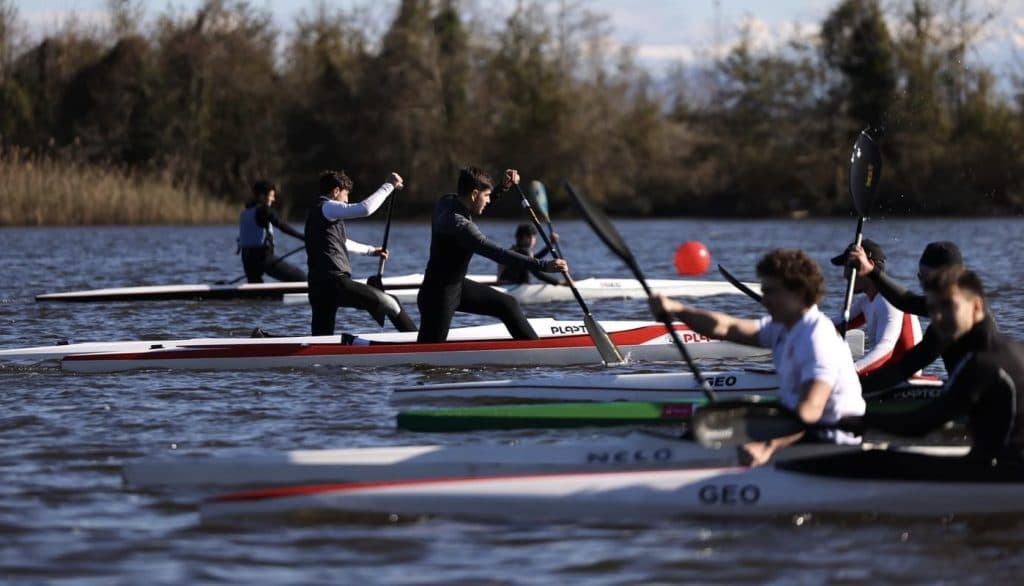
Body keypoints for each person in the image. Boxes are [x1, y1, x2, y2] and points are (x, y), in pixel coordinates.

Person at [649, 248, 864, 467]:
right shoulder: (784, 327)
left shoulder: (817, 338)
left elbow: (811, 410)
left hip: (829, 440)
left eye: (771, 292)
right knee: (703, 430)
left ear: (798, 292)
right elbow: (726, 327)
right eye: (764, 291)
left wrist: (766, 447)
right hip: (796, 427)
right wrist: (677, 309)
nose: (765, 300)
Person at [828, 266, 1024, 472]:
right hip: (1001, 465)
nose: (938, 317)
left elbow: (921, 424)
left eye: (948, 306)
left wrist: (860, 420)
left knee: (878, 458)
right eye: (932, 309)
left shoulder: (981, 364)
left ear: (977, 306)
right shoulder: (1014, 348)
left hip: (1000, 473)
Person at [417, 167, 567, 343]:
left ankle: (537, 350)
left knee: (507, 304)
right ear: (474, 194)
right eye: (486, 195)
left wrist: (502, 187)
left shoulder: (447, 201)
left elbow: (476, 207)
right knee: (429, 360)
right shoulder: (462, 228)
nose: (488, 200)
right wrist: (543, 265)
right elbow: (500, 254)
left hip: (455, 287)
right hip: (438, 298)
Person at [843, 240, 1000, 393]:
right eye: (921, 279)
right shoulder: (945, 319)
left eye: (929, 280)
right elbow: (908, 303)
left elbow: (903, 368)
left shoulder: (958, 320)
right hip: (966, 398)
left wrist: (850, 389)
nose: (924, 286)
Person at [305, 170, 417, 335]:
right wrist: (389, 185)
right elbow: (365, 209)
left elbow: (342, 242)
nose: (347, 201)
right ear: (335, 192)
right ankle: (420, 344)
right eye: (346, 195)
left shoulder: (317, 212)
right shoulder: (328, 206)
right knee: (391, 303)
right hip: (335, 284)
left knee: (320, 340)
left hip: (318, 287)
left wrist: (370, 251)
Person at [830, 239, 922, 375]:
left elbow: (885, 350)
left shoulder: (889, 301)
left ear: (869, 265)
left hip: (903, 378)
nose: (845, 275)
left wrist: (850, 372)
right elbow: (833, 325)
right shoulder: (866, 301)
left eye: (850, 267)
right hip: (884, 375)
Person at [237, 180, 307, 283]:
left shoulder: (245, 212)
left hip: (247, 260)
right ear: (261, 196)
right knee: (301, 278)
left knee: (256, 289)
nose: (273, 199)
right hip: (263, 258)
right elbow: (281, 225)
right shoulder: (264, 210)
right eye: (271, 196)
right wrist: (304, 238)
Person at [496, 224, 565, 286]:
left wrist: (551, 244)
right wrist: (558, 283)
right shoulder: (524, 252)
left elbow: (536, 259)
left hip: (504, 284)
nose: (535, 240)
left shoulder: (512, 250)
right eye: (534, 237)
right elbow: (537, 273)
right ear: (525, 237)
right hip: (515, 288)